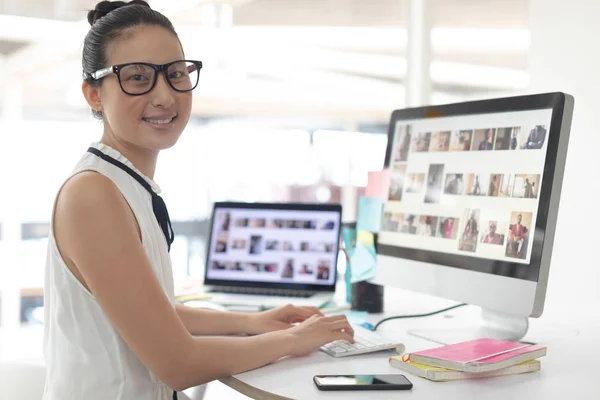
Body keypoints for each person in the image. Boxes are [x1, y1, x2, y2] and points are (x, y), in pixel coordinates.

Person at [43, 2, 354, 399]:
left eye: (175, 75)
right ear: (94, 94)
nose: (165, 97)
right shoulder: (92, 195)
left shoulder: (125, 183)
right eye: (138, 78)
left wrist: (255, 322)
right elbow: (178, 363)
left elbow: (155, 315)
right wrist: (297, 340)